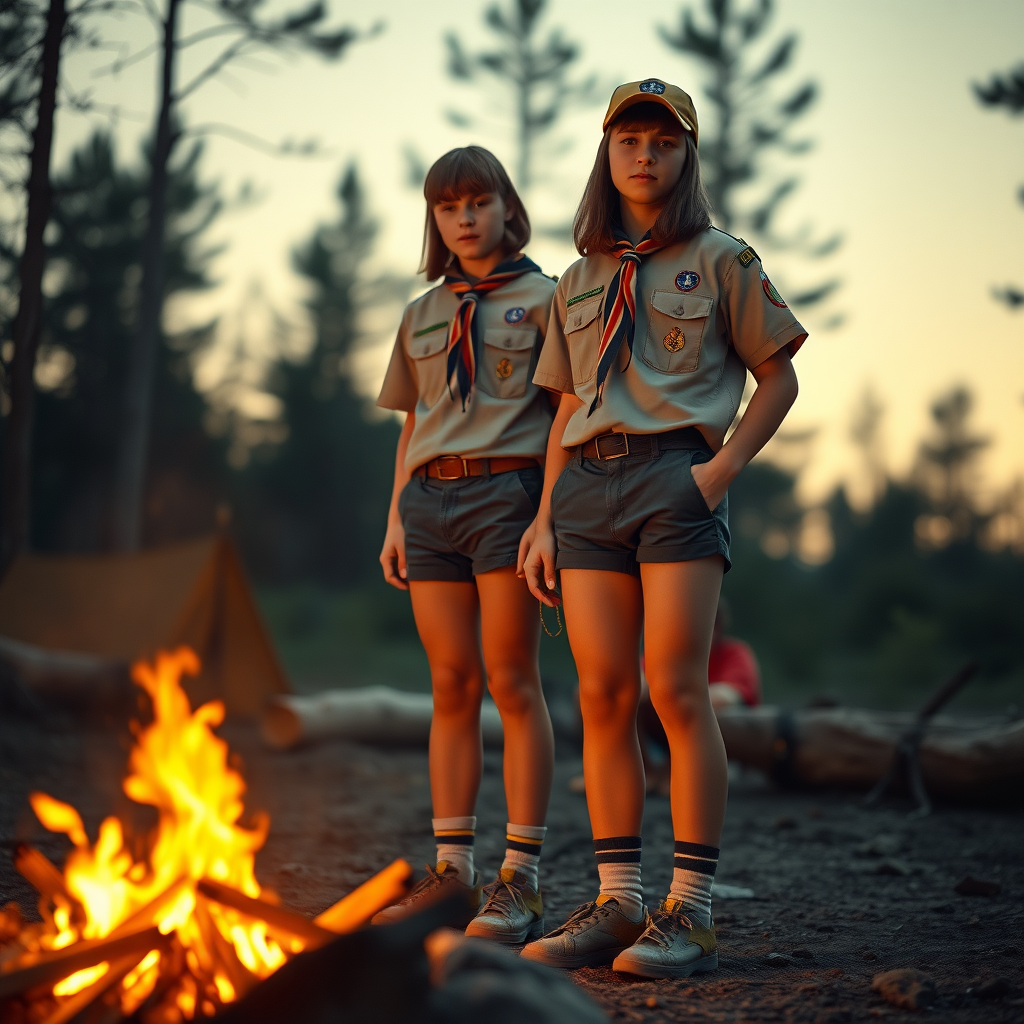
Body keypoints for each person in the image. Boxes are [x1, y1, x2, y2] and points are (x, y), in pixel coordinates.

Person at [519, 79, 807, 978]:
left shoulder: (722, 259)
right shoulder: (577, 279)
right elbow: (566, 404)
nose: (644, 156)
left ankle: (692, 911)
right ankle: (618, 902)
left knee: (675, 692)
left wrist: (717, 473)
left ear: (686, 158)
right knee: (601, 697)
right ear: (607, 155)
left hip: (674, 481)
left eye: (664, 142)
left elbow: (781, 378)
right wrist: (541, 519)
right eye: (628, 141)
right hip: (585, 494)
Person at [374, 146, 556, 944]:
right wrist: (393, 519)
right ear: (435, 220)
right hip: (430, 504)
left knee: (512, 678)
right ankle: (454, 873)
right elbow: (412, 423)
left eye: (477, 202)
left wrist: (548, 515)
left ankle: (522, 879)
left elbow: (566, 416)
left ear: (506, 207)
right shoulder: (419, 314)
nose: (465, 218)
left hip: (507, 497)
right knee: (451, 682)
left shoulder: (548, 298)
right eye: (448, 207)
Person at [638, 598, 762, 794]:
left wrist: (672, 695)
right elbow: (636, 687)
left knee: (707, 710)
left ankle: (686, 773)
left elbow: (726, 698)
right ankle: (645, 773)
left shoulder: (735, 654)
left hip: (726, 739)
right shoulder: (663, 658)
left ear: (716, 628)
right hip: (673, 734)